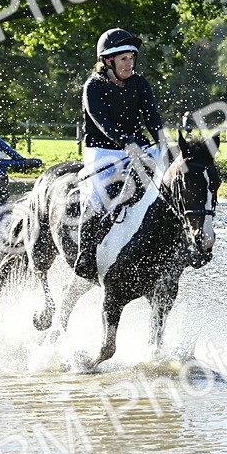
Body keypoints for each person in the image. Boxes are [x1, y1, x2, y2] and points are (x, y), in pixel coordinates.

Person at [75, 27, 165, 279]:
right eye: (124, 58)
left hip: (138, 148)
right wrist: (127, 143)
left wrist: (162, 142)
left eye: (132, 58)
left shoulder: (140, 83)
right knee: (98, 197)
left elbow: (152, 118)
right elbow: (103, 123)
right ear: (108, 61)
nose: (129, 63)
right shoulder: (93, 86)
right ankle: (86, 253)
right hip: (103, 151)